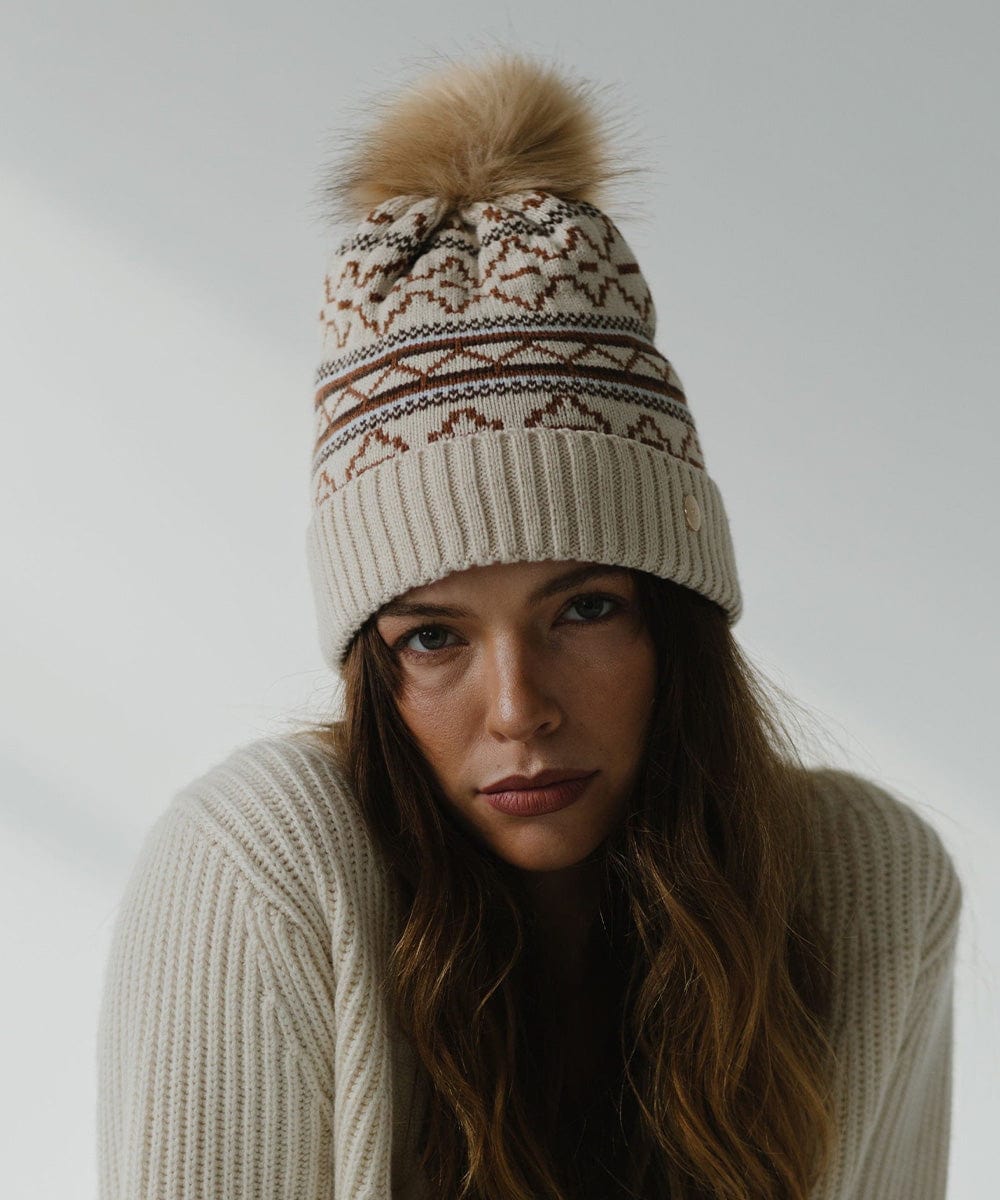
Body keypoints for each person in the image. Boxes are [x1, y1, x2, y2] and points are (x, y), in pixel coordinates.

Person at [96, 47, 963, 1200]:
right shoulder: (260, 869)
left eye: (586, 608)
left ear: (680, 626)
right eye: (433, 638)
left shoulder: (866, 885)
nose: (519, 711)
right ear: (371, 662)